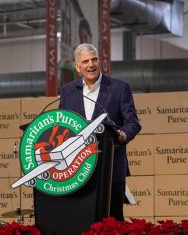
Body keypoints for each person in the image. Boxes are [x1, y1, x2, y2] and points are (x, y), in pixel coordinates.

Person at [59, 43, 141, 220]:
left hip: (111, 166)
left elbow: (132, 122)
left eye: (94, 59)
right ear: (77, 66)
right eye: (86, 61)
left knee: (112, 219)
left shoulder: (119, 88)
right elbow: (62, 126)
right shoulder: (68, 91)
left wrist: (122, 135)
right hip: (77, 169)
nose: (91, 65)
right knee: (81, 219)